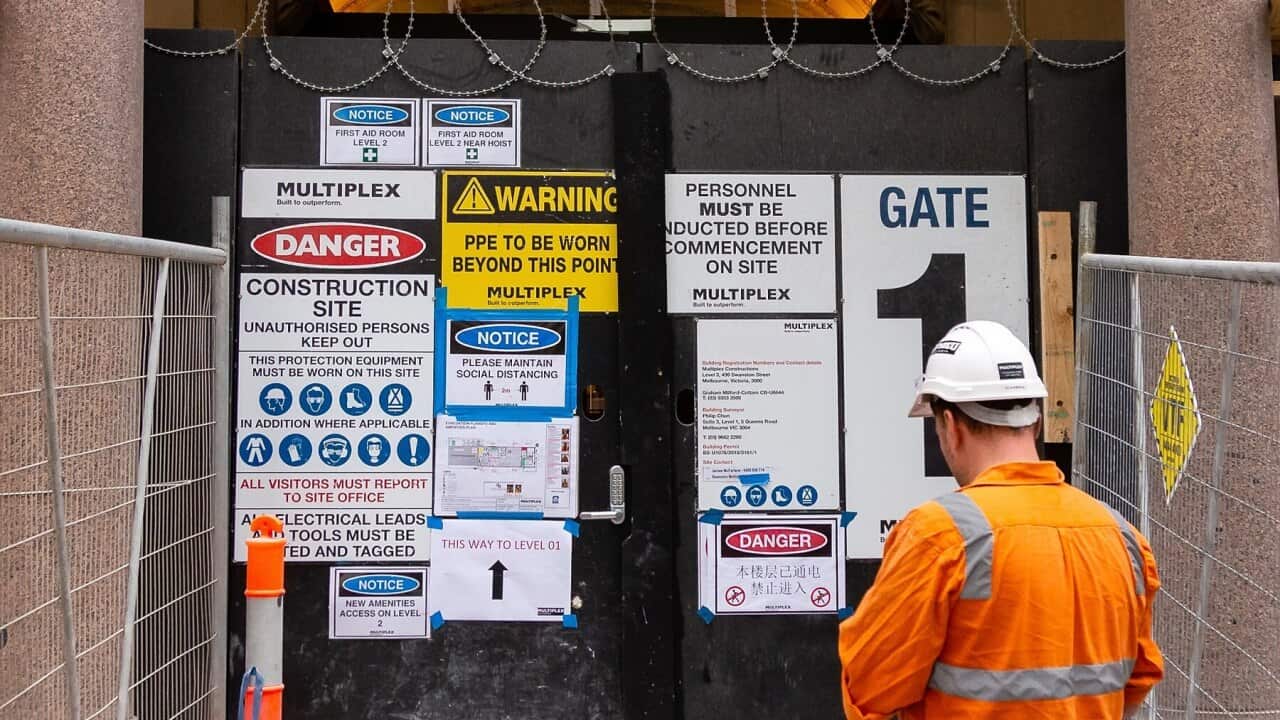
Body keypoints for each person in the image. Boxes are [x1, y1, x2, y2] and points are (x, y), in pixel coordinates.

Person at [838, 320, 1163, 719]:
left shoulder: (938, 537)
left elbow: (870, 685)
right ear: (1036, 420)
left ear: (951, 428)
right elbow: (1139, 678)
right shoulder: (1121, 537)